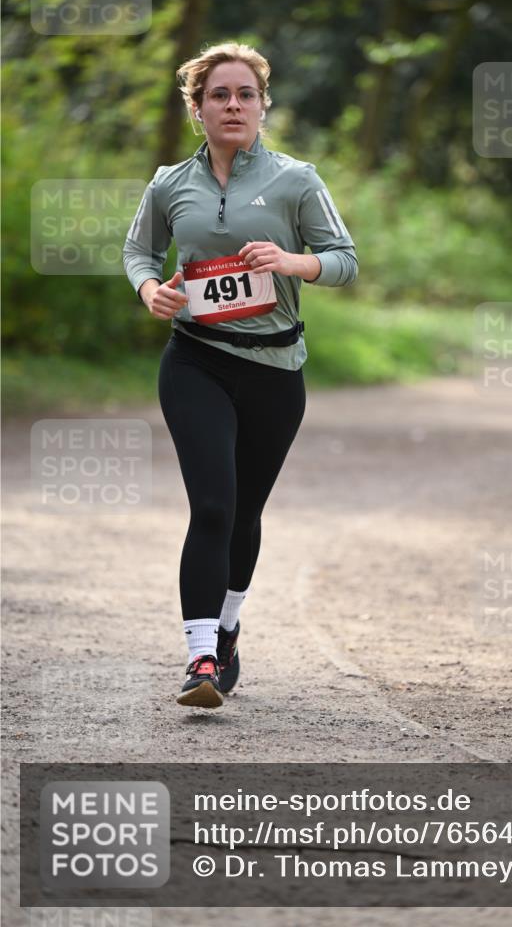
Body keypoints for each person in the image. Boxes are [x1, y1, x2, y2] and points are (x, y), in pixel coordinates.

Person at [123, 42, 358, 708]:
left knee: (246, 511)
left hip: (276, 370)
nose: (233, 105)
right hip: (195, 359)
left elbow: (344, 259)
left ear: (262, 106)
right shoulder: (170, 183)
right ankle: (199, 659)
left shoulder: (295, 180)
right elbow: (139, 250)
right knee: (214, 506)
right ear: (196, 108)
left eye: (244, 94)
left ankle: (227, 630)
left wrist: (292, 262)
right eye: (219, 95)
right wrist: (149, 291)